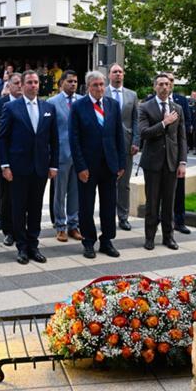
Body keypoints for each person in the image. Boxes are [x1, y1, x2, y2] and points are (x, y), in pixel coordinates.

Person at [0, 70, 58, 264]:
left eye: (36, 82)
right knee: (18, 208)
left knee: (35, 207)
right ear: (22, 85)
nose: (34, 86)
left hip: (40, 167)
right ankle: (22, 247)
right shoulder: (11, 107)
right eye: (30, 82)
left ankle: (33, 244)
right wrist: (5, 165)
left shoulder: (48, 108)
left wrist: (54, 165)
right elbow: (2, 138)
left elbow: (54, 140)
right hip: (18, 167)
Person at [69, 70, 126, 259]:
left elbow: (119, 136)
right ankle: (88, 241)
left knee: (109, 205)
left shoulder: (112, 105)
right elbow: (74, 139)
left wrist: (121, 163)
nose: (100, 88)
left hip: (109, 165)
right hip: (88, 166)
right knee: (86, 205)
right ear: (88, 87)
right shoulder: (78, 107)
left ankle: (107, 240)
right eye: (95, 85)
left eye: (102, 84)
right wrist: (80, 167)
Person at [139, 74, 187, 251]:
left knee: (169, 202)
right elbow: (144, 133)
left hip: (171, 162)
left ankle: (169, 237)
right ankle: (149, 237)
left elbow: (182, 137)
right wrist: (164, 123)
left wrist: (182, 162)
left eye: (167, 84)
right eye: (160, 84)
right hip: (152, 162)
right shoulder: (145, 107)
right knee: (152, 203)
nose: (164, 87)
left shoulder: (177, 108)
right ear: (154, 87)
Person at [0, 73, 22, 246]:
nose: (20, 86)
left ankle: (20, 227)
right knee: (4, 194)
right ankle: (7, 228)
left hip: (23, 158)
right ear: (9, 85)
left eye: (22, 83)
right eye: (16, 83)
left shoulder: (31, 104)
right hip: (3, 158)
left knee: (21, 195)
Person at [47, 70, 82, 242]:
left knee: (75, 193)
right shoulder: (52, 103)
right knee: (59, 193)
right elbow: (48, 131)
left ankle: (73, 225)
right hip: (61, 154)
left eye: (75, 81)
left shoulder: (82, 100)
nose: (73, 84)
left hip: (79, 155)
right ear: (61, 83)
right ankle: (60, 226)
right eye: (70, 81)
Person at [107, 63, 140, 231]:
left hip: (126, 143)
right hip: (106, 143)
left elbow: (136, 120)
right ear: (109, 75)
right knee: (107, 182)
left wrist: (136, 141)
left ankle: (123, 217)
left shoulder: (132, 95)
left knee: (124, 184)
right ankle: (107, 216)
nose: (118, 74)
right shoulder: (102, 92)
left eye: (120, 72)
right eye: (115, 72)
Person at [166, 73, 193, 235]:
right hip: (159, 153)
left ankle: (179, 220)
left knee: (179, 189)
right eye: (165, 81)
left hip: (176, 152)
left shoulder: (181, 101)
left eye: (171, 81)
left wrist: (182, 157)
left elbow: (187, 124)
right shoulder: (150, 101)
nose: (168, 84)